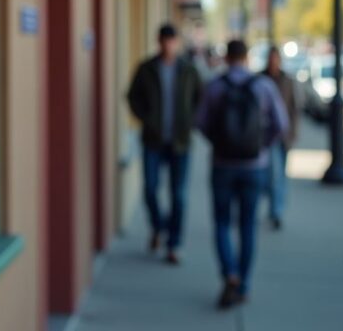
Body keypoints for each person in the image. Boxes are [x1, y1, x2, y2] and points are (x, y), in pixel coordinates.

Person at [196, 39, 288, 309]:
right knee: (248, 226)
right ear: (247, 57)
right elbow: (280, 125)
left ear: (226, 57)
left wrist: (218, 143)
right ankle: (244, 284)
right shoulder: (263, 86)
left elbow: (200, 123)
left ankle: (230, 274)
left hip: (222, 165)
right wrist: (262, 146)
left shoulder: (215, 87)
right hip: (254, 167)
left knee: (222, 223)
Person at [127, 24, 203, 265]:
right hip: (153, 140)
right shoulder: (147, 68)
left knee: (178, 195)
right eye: (163, 41)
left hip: (180, 142)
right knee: (150, 189)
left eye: (171, 41)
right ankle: (159, 226)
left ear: (177, 43)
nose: (167, 45)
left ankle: (174, 243)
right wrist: (147, 119)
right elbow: (132, 96)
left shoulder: (188, 70)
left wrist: (191, 121)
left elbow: (201, 98)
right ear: (158, 42)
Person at [262, 47, 299, 230]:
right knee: (273, 175)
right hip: (267, 136)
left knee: (281, 175)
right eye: (271, 58)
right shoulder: (260, 79)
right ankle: (274, 210)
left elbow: (294, 108)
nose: (273, 62)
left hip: (284, 135)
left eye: (276, 59)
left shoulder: (287, 80)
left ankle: (277, 211)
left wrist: (293, 133)